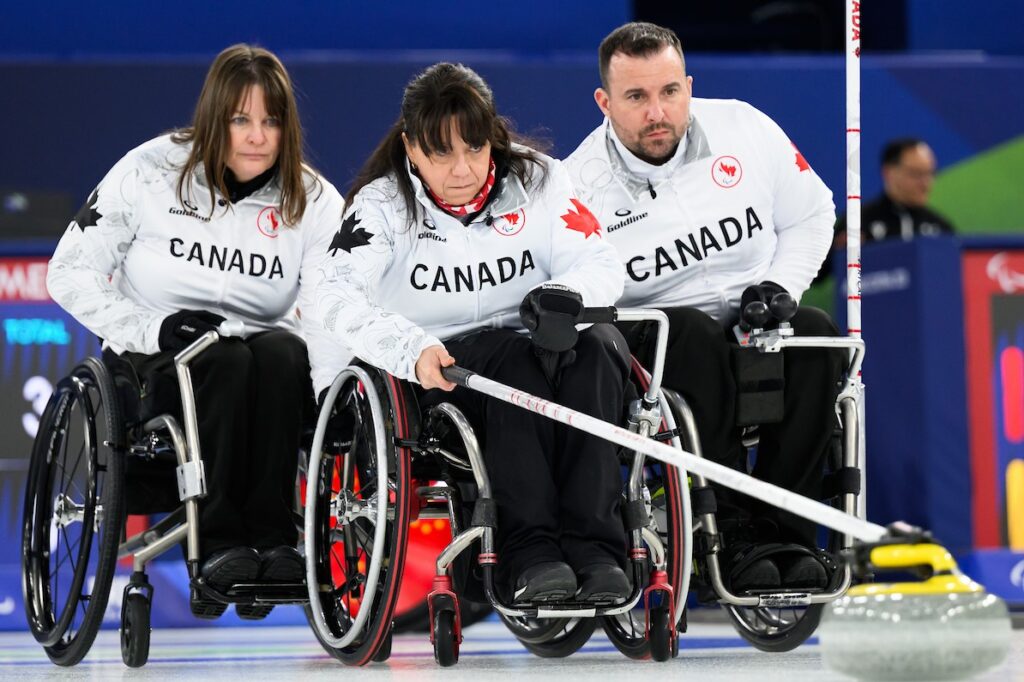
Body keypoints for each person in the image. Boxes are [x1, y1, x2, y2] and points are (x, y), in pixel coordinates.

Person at [46, 44, 347, 619]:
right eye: (240, 119)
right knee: (225, 361)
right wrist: (153, 328)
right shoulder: (148, 171)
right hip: (154, 360)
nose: (257, 137)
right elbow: (68, 272)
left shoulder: (313, 201)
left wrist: (332, 390)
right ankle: (218, 545)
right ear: (213, 118)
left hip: (264, 363)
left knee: (286, 353)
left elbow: (327, 311)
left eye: (271, 121)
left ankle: (276, 542)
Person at [315, 62, 633, 604]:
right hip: (438, 371)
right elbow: (334, 294)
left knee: (601, 347)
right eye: (442, 153)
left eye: (475, 147)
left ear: (494, 138)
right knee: (513, 357)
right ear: (412, 148)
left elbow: (600, 259)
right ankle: (528, 552)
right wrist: (410, 349)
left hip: (538, 341)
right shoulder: (381, 207)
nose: (462, 169)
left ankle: (597, 551)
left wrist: (563, 298)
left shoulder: (541, 180)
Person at [564, 22, 843, 593]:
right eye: (636, 97)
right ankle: (730, 531)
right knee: (688, 330)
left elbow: (812, 214)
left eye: (670, 91)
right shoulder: (575, 187)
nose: (657, 113)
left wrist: (782, 286)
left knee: (815, 332)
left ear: (688, 86)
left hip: (756, 319)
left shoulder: (745, 126)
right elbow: (576, 292)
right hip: (657, 342)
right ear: (604, 102)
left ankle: (785, 534)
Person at [835, 137, 955, 246]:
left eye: (930, 173)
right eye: (916, 174)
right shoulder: (857, 223)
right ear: (889, 173)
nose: (926, 183)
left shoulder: (942, 229)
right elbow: (828, 260)